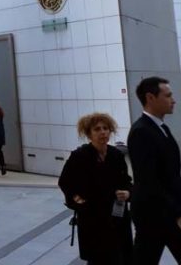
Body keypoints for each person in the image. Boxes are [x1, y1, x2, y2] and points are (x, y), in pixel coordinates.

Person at [58, 113, 133, 264]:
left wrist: (127, 192)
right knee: (98, 258)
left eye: (106, 128)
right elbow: (65, 182)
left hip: (117, 216)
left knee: (121, 257)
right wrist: (77, 199)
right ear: (89, 134)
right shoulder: (80, 156)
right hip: (93, 218)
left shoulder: (116, 155)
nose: (103, 132)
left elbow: (126, 181)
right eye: (97, 129)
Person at [128, 76, 181, 263]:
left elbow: (171, 174)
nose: (173, 100)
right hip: (154, 215)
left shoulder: (160, 128)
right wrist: (177, 212)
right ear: (150, 98)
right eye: (168, 95)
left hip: (164, 211)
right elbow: (149, 180)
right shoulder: (142, 131)